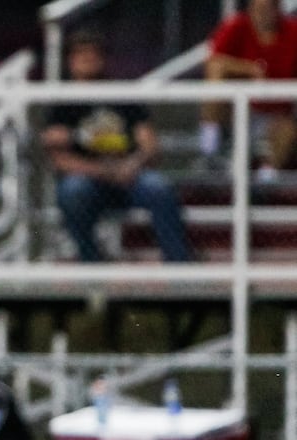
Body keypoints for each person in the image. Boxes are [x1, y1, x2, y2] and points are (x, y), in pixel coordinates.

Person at [41, 30, 194, 262]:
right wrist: (104, 171)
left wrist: (132, 165)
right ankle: (91, 264)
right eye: (81, 55)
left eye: (93, 55)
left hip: (130, 178)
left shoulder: (123, 96)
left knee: (158, 187)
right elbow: (60, 159)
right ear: (70, 62)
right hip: (90, 180)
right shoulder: (62, 104)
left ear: (103, 59)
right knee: (72, 191)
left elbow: (150, 145)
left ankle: (180, 264)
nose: (88, 60)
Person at [197, 0, 297, 179]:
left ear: (278, 9)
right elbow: (214, 64)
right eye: (259, 8)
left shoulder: (292, 32)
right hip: (237, 112)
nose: (263, 14)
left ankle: (266, 179)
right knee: (216, 76)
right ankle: (210, 149)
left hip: (277, 115)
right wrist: (251, 69)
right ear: (250, 8)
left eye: (269, 8)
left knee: (288, 129)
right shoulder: (237, 26)